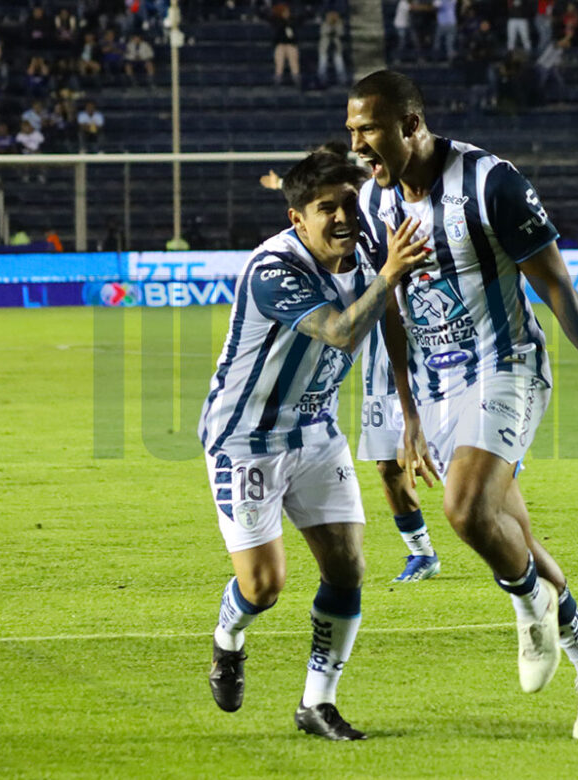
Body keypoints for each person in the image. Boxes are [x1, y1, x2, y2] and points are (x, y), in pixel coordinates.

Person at [347, 70, 578, 739]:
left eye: (369, 129)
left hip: (507, 365)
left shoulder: (490, 184)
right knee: (510, 534)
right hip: (439, 383)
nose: (360, 144)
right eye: (352, 131)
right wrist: (407, 412)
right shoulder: (375, 204)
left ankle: (527, 608)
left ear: (411, 125)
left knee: (462, 509)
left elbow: (559, 289)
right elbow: (392, 311)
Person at [198, 148, 430, 741]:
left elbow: (390, 317)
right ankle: (228, 640)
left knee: (348, 568)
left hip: (317, 432)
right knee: (263, 587)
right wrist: (389, 276)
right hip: (245, 440)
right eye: (327, 207)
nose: (344, 216)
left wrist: (409, 412)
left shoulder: (371, 251)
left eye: (350, 202)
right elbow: (342, 327)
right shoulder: (274, 268)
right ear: (298, 218)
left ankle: (317, 703)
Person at [258, 144, 446, 581]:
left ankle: (502, 532)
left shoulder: (390, 210)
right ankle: (421, 552)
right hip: (381, 349)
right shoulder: (341, 242)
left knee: (463, 464)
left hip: (440, 347)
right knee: (387, 464)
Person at [272, 4, 301, 87]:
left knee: (293, 57)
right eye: (285, 12)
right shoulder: (277, 22)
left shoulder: (292, 22)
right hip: (280, 44)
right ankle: (278, 79)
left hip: (291, 44)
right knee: (279, 58)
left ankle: (296, 79)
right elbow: (276, 37)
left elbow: (294, 36)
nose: (287, 14)